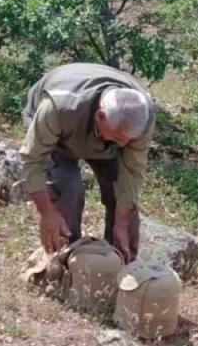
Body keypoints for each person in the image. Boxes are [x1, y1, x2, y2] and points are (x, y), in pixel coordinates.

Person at [19, 63, 154, 262]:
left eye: (129, 139)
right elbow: (33, 159)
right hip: (59, 136)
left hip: (103, 136)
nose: (125, 143)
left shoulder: (142, 114)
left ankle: (120, 266)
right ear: (101, 115)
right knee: (67, 192)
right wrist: (47, 213)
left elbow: (132, 172)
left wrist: (122, 223)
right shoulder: (58, 107)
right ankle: (62, 265)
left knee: (125, 206)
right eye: (119, 136)